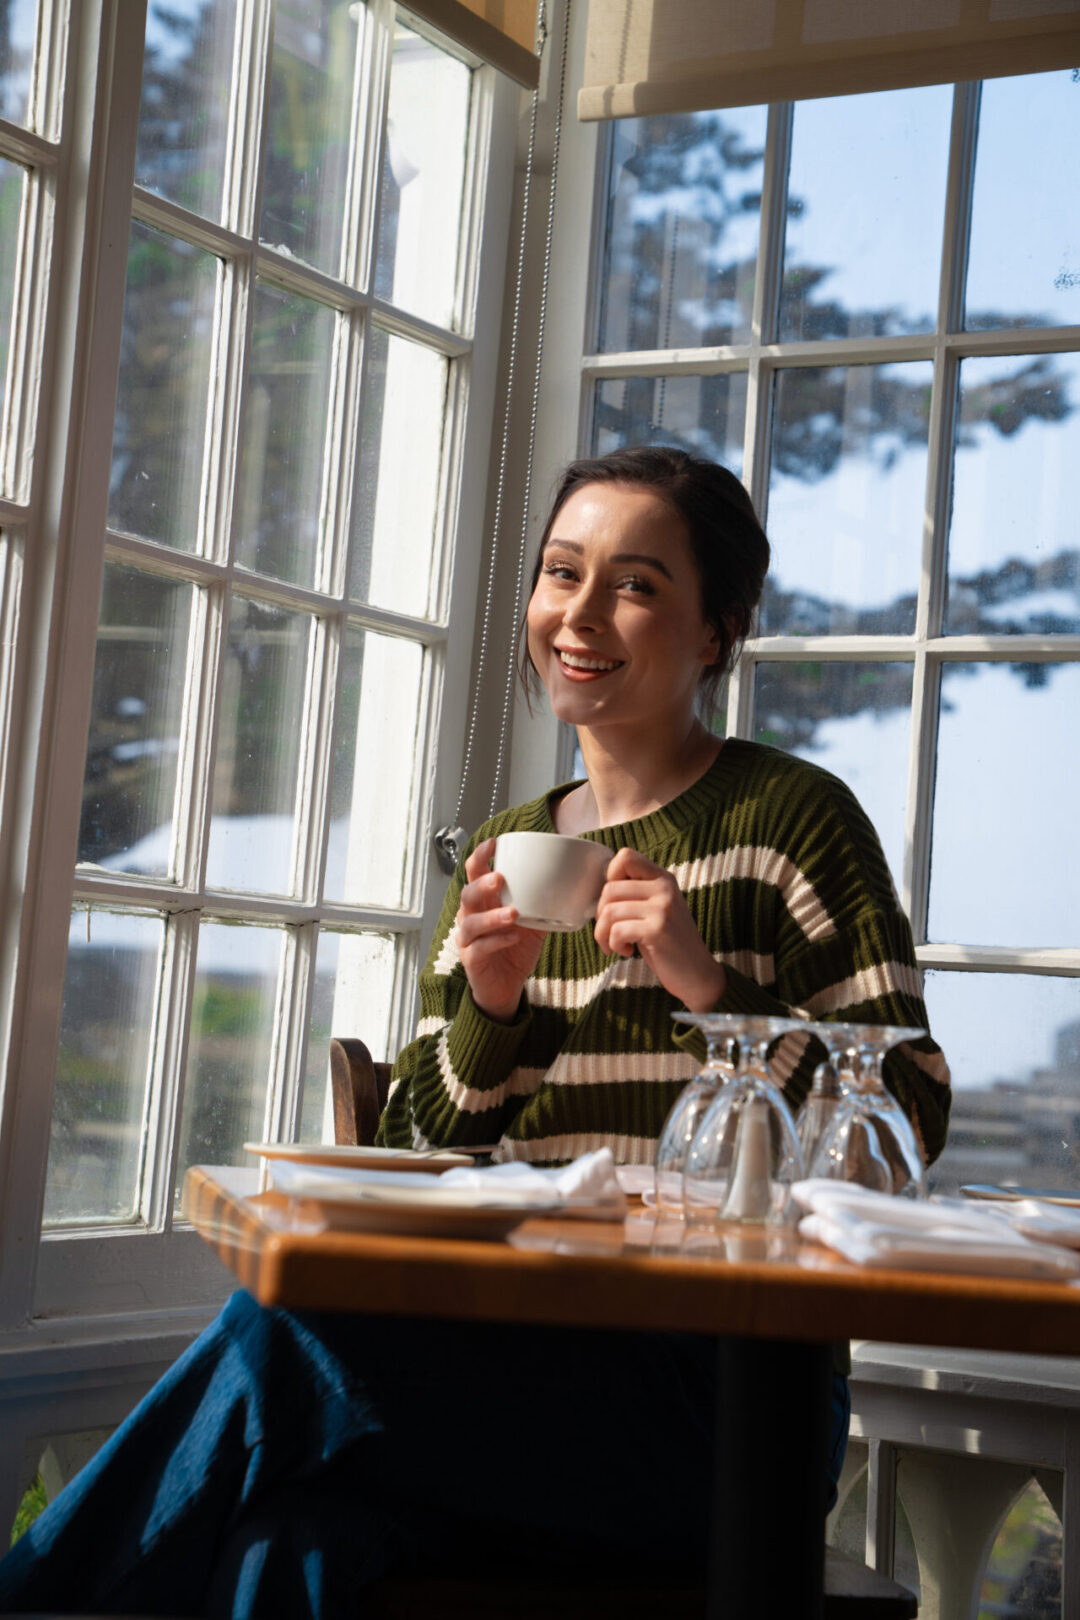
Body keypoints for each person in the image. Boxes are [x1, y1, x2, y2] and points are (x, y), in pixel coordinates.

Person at [0, 447, 949, 1619]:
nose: (581, 614)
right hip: (486, 1360)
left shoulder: (796, 820)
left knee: (284, 1336)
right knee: (290, 1545)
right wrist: (490, 1011)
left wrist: (707, 985)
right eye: (563, 572)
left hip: (725, 1405)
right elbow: (411, 1157)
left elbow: (906, 1108)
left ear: (718, 632)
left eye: (637, 584)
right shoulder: (510, 848)